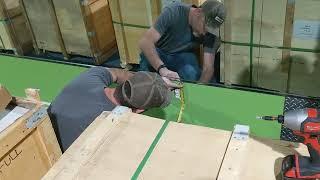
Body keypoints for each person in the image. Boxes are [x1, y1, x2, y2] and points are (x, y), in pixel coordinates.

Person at [48, 67, 178, 152]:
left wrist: (149, 82)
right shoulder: (110, 131)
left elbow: (116, 73)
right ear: (139, 110)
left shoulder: (91, 77)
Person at [139, 0, 226, 83]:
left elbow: (208, 68)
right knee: (145, 75)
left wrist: (199, 89)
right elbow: (145, 42)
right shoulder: (174, 12)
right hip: (160, 51)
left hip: (181, 56)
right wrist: (162, 69)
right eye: (204, 26)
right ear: (198, 12)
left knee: (191, 73)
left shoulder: (210, 34)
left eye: (210, 29)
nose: (205, 32)